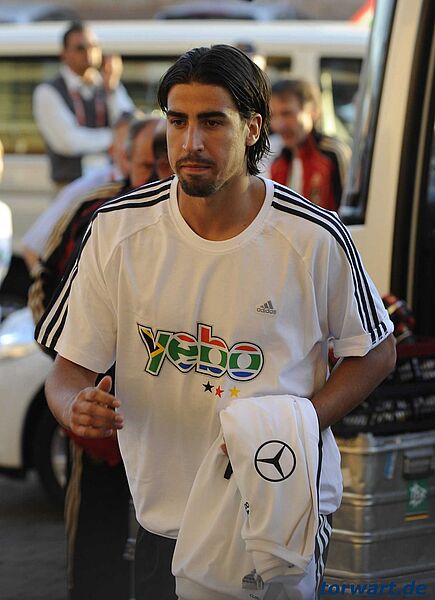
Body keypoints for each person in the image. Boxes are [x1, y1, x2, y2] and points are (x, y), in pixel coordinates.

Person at [36, 45, 396, 599]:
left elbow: (375, 350)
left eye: (212, 122)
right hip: (162, 518)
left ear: (253, 128)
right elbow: (68, 371)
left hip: (275, 513)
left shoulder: (311, 236)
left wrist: (295, 424)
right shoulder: (117, 230)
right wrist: (74, 407)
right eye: (177, 121)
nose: (191, 143)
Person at [32, 115, 163, 600]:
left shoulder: (201, 222)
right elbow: (43, 287)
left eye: (165, 166)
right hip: (101, 416)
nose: (158, 177)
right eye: (148, 165)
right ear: (127, 160)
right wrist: (77, 369)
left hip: (170, 428)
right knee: (96, 546)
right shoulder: (97, 213)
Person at [22, 110, 141, 272]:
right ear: (112, 151)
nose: (138, 158)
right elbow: (32, 247)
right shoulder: (87, 191)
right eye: (128, 153)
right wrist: (56, 285)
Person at [33, 21, 134, 187]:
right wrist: (115, 138)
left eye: (94, 46)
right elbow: (68, 141)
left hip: (110, 184)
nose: (89, 52)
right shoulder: (48, 91)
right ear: (64, 54)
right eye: (81, 48)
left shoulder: (108, 85)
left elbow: (130, 126)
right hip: (69, 185)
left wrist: (112, 89)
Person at [269, 78, 351, 210]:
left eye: (287, 114)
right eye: (273, 115)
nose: (279, 124)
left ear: (313, 111)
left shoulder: (332, 153)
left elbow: (347, 210)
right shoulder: (277, 160)